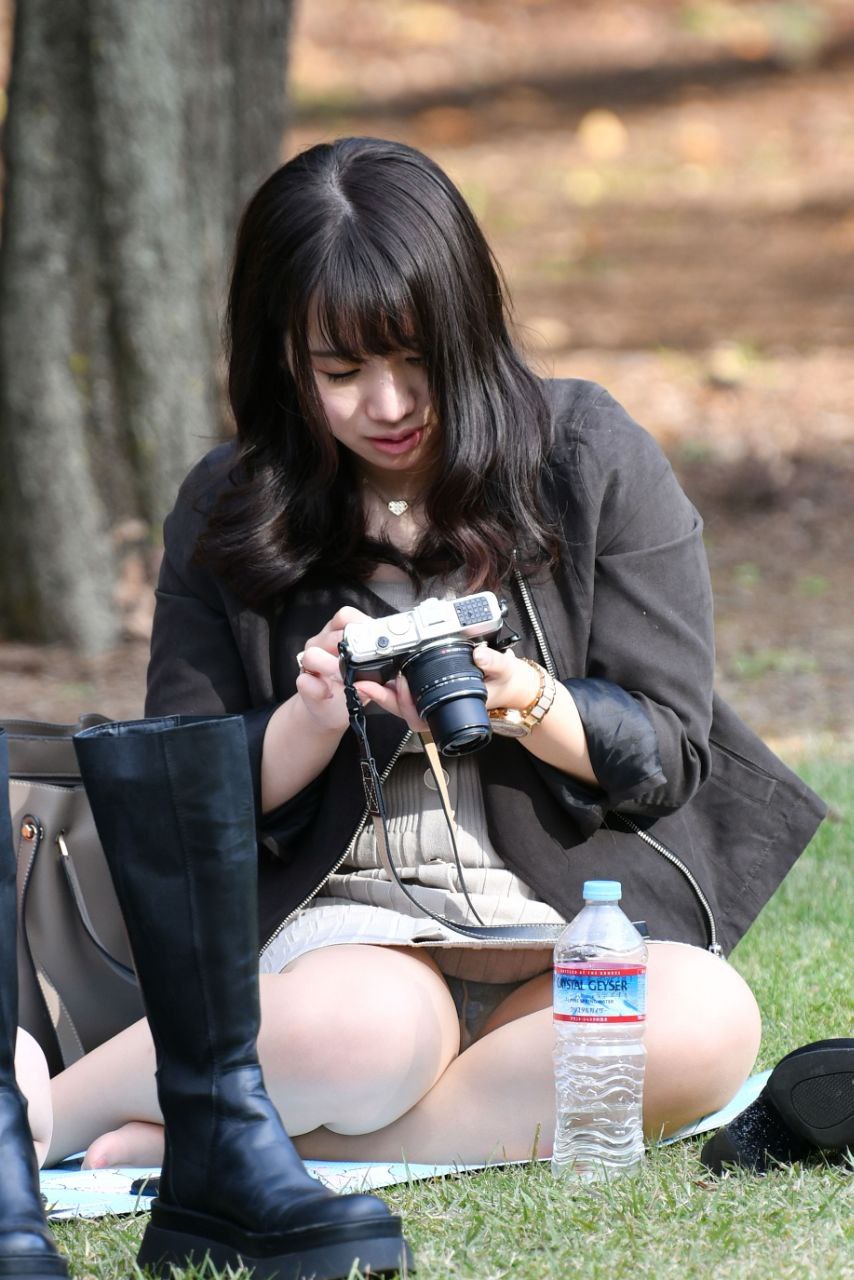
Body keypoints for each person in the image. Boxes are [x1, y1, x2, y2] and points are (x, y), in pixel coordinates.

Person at [33, 135, 824, 1172]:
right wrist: (311, 719)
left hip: (561, 921)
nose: (390, 404)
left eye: (417, 358)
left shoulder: (585, 457)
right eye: (342, 371)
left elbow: (669, 750)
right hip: (347, 934)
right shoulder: (232, 504)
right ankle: (40, 1117)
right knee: (364, 1033)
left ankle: (228, 1138)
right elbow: (183, 792)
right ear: (282, 357)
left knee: (706, 1018)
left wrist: (527, 699)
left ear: (469, 324)